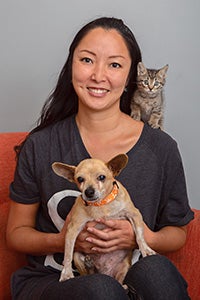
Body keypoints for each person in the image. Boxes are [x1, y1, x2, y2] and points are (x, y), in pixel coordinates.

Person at [6, 17, 194, 300]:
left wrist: (140, 237)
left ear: (132, 76)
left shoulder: (161, 148)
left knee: (158, 273)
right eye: (87, 60)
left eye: (115, 64)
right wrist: (66, 238)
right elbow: (16, 233)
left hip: (128, 268)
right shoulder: (40, 144)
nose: (98, 75)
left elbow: (177, 232)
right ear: (71, 66)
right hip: (55, 278)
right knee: (101, 291)